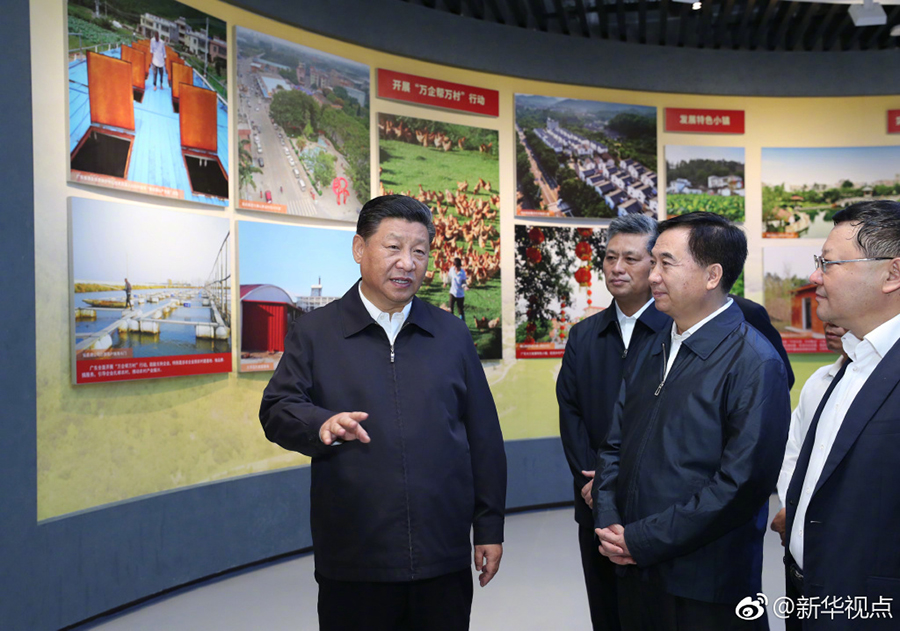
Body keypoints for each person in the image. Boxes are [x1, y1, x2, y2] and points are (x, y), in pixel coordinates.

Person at [259, 195, 506, 631]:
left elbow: (484, 436)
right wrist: (321, 424)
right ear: (360, 249)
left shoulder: (450, 333)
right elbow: (277, 408)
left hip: (441, 557)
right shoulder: (316, 332)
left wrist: (488, 527)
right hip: (354, 560)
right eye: (393, 247)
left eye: (419, 251)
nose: (407, 263)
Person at [593, 212, 790, 630]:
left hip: (704, 583)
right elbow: (614, 444)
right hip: (634, 567)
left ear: (712, 275)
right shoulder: (654, 346)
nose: (652, 276)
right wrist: (609, 520)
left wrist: (641, 539)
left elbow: (740, 486)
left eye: (666, 263)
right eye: (654, 262)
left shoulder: (755, 363)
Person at [784, 200, 900, 630]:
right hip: (811, 594)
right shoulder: (852, 361)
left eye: (828, 264)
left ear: (892, 274)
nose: (815, 277)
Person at [557, 213, 669, 631]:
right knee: (606, 613)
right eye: (609, 257)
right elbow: (571, 412)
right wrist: (595, 482)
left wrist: (618, 482)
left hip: (656, 508)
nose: (617, 268)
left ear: (655, 265)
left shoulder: (674, 332)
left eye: (631, 258)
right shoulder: (584, 336)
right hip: (593, 505)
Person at [769, 322, 847, 546]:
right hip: (802, 535)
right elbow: (793, 451)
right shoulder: (817, 380)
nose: (830, 322)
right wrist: (790, 507)